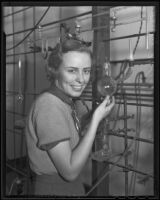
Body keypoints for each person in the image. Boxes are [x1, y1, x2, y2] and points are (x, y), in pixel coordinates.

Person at [24, 38, 115, 196]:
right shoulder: (49, 106)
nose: (81, 79)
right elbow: (70, 171)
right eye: (72, 70)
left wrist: (93, 115)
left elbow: (69, 131)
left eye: (86, 71)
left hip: (70, 188)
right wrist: (95, 121)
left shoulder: (64, 101)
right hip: (55, 189)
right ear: (55, 70)